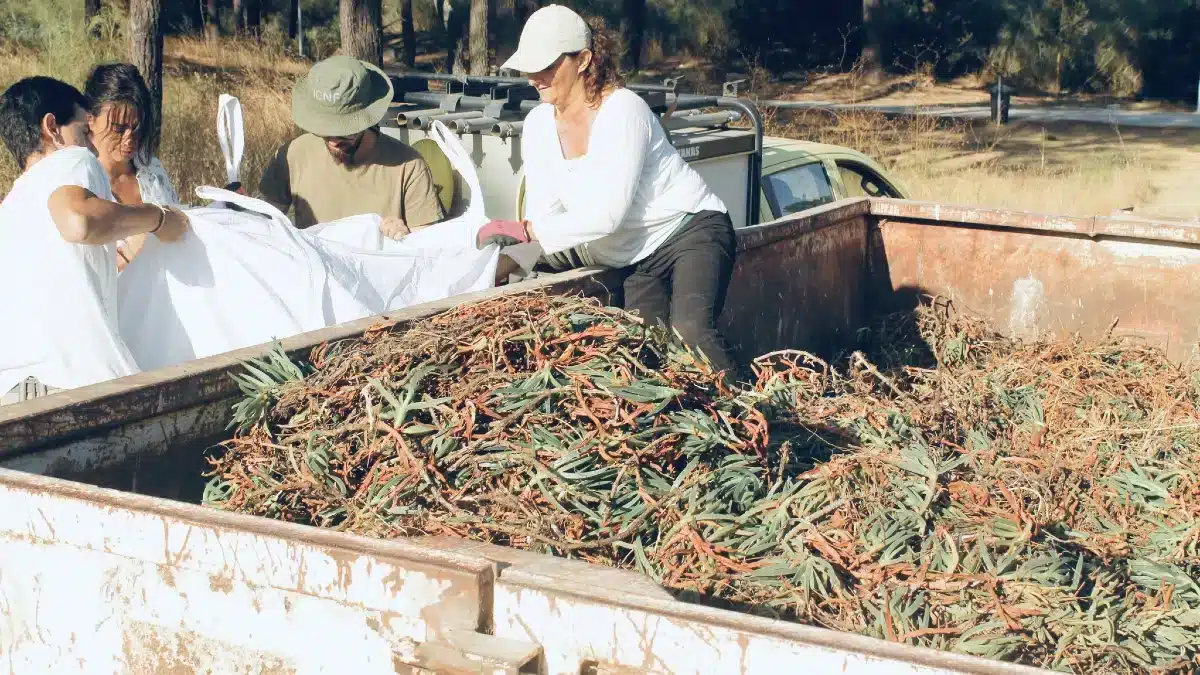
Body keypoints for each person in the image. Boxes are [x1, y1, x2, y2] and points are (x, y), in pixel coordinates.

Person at [477, 5, 738, 376]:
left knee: (691, 335)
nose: (534, 76)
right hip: (632, 255)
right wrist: (500, 266)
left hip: (688, 232)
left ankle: (759, 422)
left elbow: (608, 215)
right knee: (644, 358)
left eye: (547, 66)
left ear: (583, 60)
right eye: (529, 67)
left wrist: (528, 231)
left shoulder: (622, 110)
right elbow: (547, 221)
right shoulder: (536, 126)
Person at [0, 76, 189, 406]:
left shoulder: (11, 207)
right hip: (72, 385)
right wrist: (157, 218)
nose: (91, 146)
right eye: (85, 132)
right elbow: (78, 221)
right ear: (52, 128)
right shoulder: (72, 159)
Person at [258, 55, 444, 240]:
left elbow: (427, 249)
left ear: (366, 116)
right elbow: (263, 227)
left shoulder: (408, 166)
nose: (332, 140)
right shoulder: (292, 155)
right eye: (322, 129)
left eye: (344, 130)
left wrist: (406, 236)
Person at [83, 62, 182, 271]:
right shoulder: (80, 182)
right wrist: (134, 249)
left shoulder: (150, 169)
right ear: (90, 119)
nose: (129, 139)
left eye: (136, 128)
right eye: (118, 129)